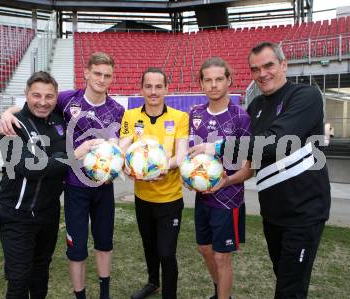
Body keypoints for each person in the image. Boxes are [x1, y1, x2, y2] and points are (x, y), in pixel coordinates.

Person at [189, 42, 331, 299]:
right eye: (256, 69)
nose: (263, 73)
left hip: (304, 213)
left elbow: (275, 142)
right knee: (284, 276)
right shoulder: (255, 108)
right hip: (273, 212)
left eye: (269, 65)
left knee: (289, 289)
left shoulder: (305, 96)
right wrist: (212, 178)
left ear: (283, 65)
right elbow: (250, 159)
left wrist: (217, 146)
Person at [0, 52, 125, 299]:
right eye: (97, 73)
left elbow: (116, 144)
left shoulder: (113, 110)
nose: (101, 79)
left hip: (79, 196)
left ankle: (104, 294)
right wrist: (7, 112)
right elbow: (33, 107)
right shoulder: (64, 101)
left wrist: (114, 163)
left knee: (47, 269)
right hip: (51, 197)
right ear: (86, 73)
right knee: (28, 273)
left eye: (107, 75)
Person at [119, 67, 189, 299]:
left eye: (158, 86)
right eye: (148, 86)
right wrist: (127, 166)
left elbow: (180, 156)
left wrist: (158, 168)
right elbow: (124, 146)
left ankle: (170, 295)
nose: (153, 91)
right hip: (143, 198)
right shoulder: (130, 116)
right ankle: (153, 283)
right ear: (141, 89)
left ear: (166, 89)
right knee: (149, 247)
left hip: (170, 199)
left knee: (166, 252)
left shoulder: (180, 118)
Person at [188, 57, 253, 299]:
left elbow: (249, 169)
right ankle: (220, 293)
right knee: (204, 248)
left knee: (221, 256)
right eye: (208, 80)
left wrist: (226, 181)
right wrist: (189, 177)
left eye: (219, 79)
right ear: (201, 84)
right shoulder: (195, 114)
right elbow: (191, 157)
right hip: (202, 197)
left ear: (229, 81)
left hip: (228, 199)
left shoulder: (241, 117)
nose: (213, 85)